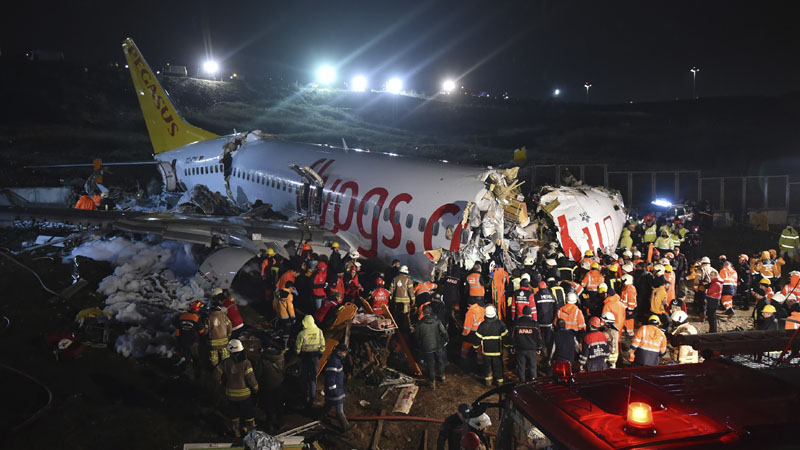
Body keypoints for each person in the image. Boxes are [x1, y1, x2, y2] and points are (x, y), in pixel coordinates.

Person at [216, 339, 259, 438]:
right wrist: (256, 388)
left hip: (230, 395)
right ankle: (251, 433)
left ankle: (236, 432)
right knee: (248, 414)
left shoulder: (225, 362)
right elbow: (251, 379)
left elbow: (216, 375)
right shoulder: (246, 363)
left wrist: (221, 383)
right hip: (245, 396)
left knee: (234, 414)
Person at [474, 305, 510, 386]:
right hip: (497, 351)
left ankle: (488, 382)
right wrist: (507, 346)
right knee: (498, 367)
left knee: (487, 367)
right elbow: (506, 337)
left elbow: (477, 338)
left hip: (486, 352)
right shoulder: (500, 324)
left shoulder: (482, 325)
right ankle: (499, 382)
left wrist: (475, 347)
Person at [295, 315, 325, 409]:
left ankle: (304, 397)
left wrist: (298, 354)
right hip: (315, 358)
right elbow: (323, 346)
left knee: (304, 377)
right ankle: (312, 398)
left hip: (305, 358)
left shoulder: (302, 333)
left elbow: (297, 348)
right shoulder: (319, 332)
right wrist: (319, 354)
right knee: (312, 379)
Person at [415, 305, 448, 389]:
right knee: (440, 360)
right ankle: (442, 376)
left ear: (422, 312)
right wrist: (446, 339)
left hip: (426, 347)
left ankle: (432, 382)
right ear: (430, 312)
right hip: (437, 345)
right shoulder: (437, 320)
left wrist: (419, 344)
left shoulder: (419, 323)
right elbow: (443, 331)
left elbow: (416, 336)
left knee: (430, 364)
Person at [174, 300, 206, 378]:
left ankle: (189, 374)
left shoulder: (182, 316)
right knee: (196, 357)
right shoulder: (196, 318)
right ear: (197, 309)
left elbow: (177, 330)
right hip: (193, 341)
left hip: (183, 341)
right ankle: (201, 374)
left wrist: (178, 341)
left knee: (187, 359)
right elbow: (201, 331)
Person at [257, 348, 286, 431]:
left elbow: (258, 373)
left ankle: (270, 424)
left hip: (267, 385)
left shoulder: (263, 360)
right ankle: (280, 423)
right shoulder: (281, 358)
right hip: (279, 384)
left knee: (269, 405)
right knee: (279, 404)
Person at [324, 344, 351, 431]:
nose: (345, 354)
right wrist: (333, 389)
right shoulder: (334, 362)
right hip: (336, 390)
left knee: (328, 406)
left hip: (336, 389)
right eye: (344, 352)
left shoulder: (336, 360)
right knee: (339, 411)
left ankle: (320, 417)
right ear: (339, 352)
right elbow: (331, 377)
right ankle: (346, 427)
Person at [512, 305, 542, 382]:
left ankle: (522, 383)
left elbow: (512, 336)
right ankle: (533, 383)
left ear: (522, 312)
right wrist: (539, 348)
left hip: (520, 349)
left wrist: (512, 347)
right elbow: (539, 337)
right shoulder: (535, 324)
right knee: (533, 367)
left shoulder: (517, 323)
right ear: (530, 313)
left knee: (521, 367)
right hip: (532, 349)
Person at [390, 265, 415, 330]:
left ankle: (396, 328)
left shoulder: (395, 279)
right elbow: (411, 291)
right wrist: (413, 300)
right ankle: (405, 328)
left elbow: (391, 290)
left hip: (396, 300)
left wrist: (392, 298)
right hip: (405, 302)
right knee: (405, 315)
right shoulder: (408, 280)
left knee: (396, 314)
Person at [460, 300, 485, 365]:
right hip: (482, 332)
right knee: (480, 347)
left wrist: (464, 334)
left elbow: (467, 326)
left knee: (466, 345)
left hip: (472, 333)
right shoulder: (482, 309)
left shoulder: (470, 313)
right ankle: (480, 362)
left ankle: (463, 358)